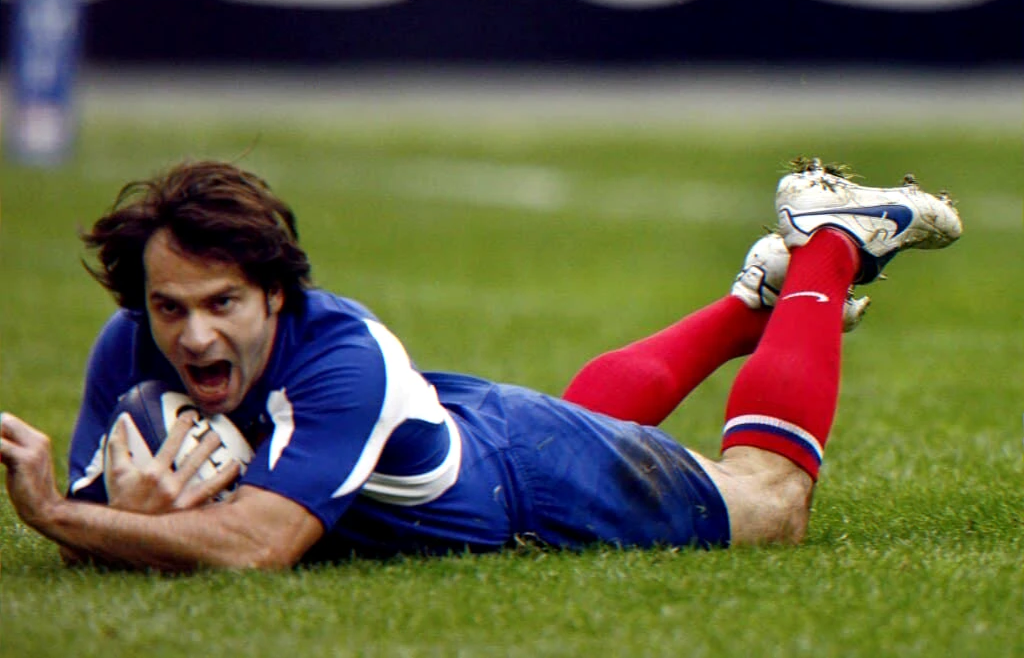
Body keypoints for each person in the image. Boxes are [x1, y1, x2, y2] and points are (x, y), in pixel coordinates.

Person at [0, 158, 962, 571]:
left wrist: (61, 514)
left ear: (276, 295)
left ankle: (829, 239)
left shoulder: (342, 356)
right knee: (590, 421)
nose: (195, 336)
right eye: (171, 308)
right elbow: (121, 525)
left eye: (224, 306)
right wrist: (118, 521)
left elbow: (255, 546)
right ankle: (757, 299)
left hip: (531, 485)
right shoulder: (132, 346)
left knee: (771, 501)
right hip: (473, 429)